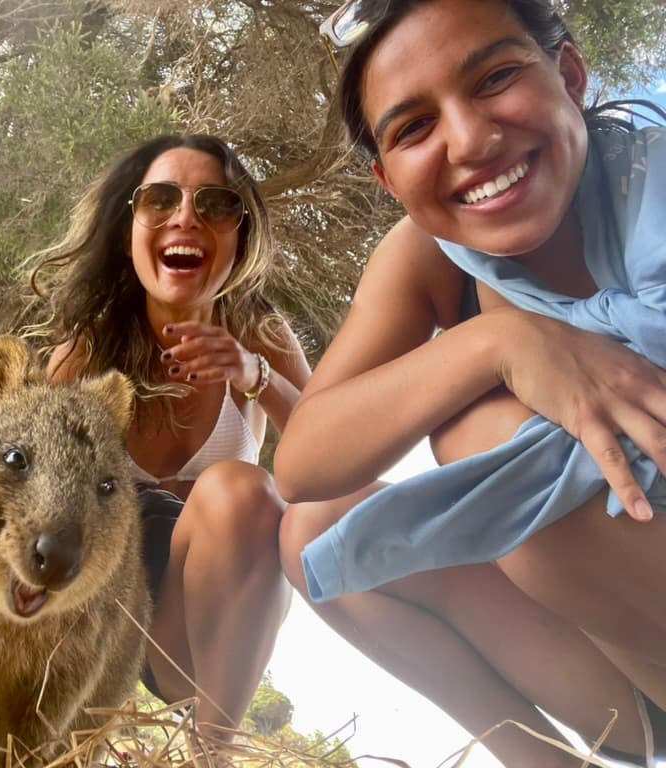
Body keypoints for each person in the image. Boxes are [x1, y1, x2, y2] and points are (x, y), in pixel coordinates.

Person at [274, 1, 666, 766]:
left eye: (495, 78)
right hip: (631, 659)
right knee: (319, 533)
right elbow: (301, 466)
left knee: (478, 436)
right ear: (389, 180)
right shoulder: (432, 255)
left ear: (571, 75)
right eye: (414, 127)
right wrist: (499, 342)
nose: (471, 140)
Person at [27, 134, 313, 735]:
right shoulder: (83, 360)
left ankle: (214, 750)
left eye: (215, 204)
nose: (185, 216)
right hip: (101, 623)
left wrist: (253, 374)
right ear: (130, 225)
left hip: (205, 636)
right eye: (160, 198)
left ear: (241, 233)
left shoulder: (259, 335)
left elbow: (334, 455)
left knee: (242, 490)